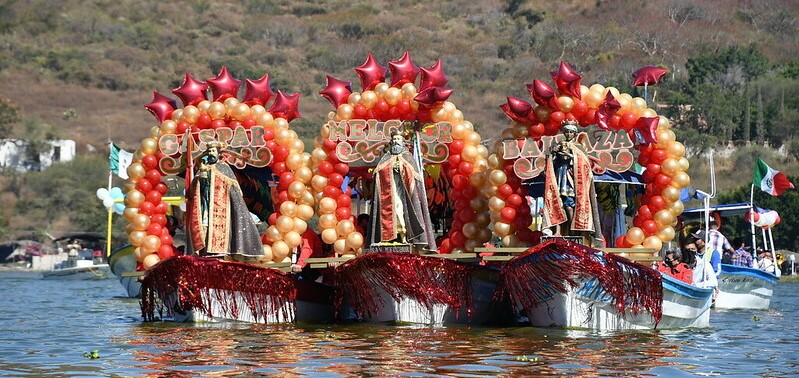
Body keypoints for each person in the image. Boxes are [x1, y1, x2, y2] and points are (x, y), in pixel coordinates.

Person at [185, 140, 263, 258]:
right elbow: (194, 188)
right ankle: (205, 250)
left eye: (213, 151)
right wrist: (200, 179)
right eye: (209, 151)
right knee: (204, 224)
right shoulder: (203, 168)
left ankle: (218, 250)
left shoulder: (224, 168)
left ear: (218, 153)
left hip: (221, 207)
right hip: (205, 204)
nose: (211, 153)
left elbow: (233, 188)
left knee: (219, 227)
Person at [368, 130, 436, 251]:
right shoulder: (386, 157)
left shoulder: (408, 157)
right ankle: (389, 238)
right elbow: (378, 171)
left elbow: (414, 175)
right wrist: (389, 168)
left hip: (403, 193)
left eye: (398, 140)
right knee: (391, 213)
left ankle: (405, 237)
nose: (395, 142)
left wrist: (401, 168)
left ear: (403, 142)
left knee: (401, 212)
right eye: (394, 140)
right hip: (389, 192)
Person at [542, 120, 603, 247]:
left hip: (573, 179)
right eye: (567, 132)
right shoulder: (558, 145)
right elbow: (551, 162)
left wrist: (571, 156)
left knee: (570, 206)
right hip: (560, 176)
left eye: (571, 132)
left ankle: (573, 230)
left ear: (575, 134)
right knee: (557, 204)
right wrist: (554, 153)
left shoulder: (578, 147)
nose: (569, 134)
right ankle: (557, 231)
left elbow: (584, 163)